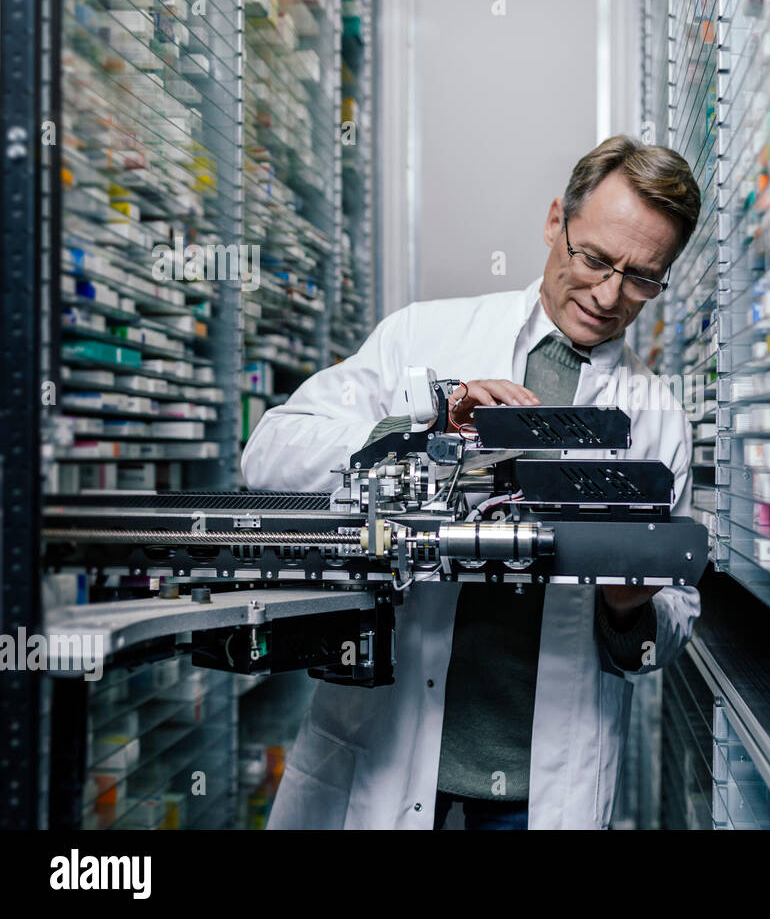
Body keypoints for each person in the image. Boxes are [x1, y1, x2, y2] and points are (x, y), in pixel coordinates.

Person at [242, 135, 703, 829]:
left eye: (642, 277)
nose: (610, 295)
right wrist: (421, 438)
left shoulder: (657, 417)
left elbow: (661, 637)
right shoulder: (423, 338)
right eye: (595, 259)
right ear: (556, 222)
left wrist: (629, 607)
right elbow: (269, 455)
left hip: (538, 796)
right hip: (387, 755)